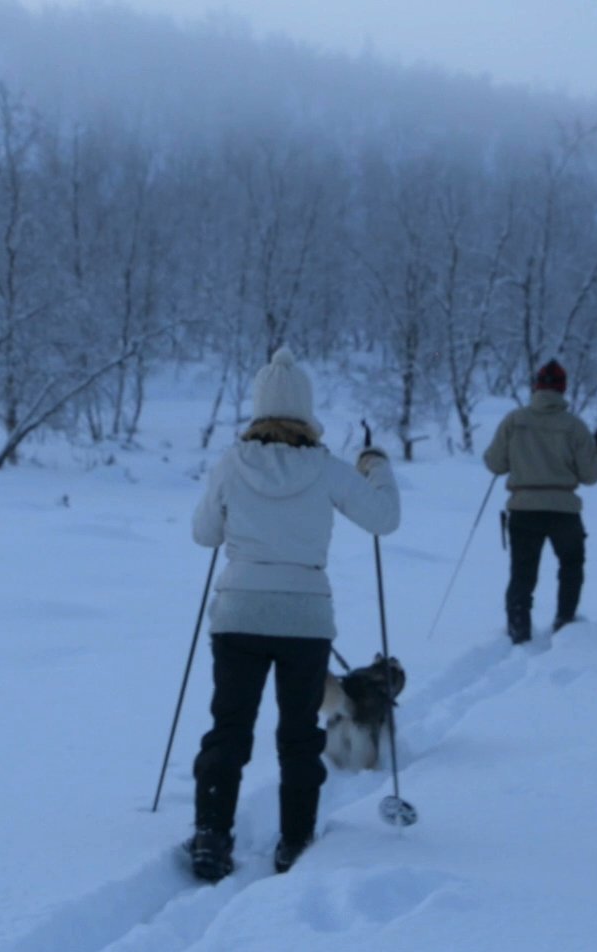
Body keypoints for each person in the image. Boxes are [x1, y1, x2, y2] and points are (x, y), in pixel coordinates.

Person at [184, 347, 400, 881]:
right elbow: (384, 519)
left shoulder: (231, 464)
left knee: (228, 728)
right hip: (304, 619)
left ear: (258, 408)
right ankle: (296, 841)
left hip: (238, 614)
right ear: (306, 410)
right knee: (299, 733)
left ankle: (212, 836)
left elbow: (204, 534)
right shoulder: (326, 468)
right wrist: (376, 468)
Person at [482, 359, 597, 644]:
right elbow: (590, 476)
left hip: (523, 510)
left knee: (522, 575)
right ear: (563, 389)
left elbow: (494, 463)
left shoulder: (515, 421)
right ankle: (565, 622)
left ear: (536, 387)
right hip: (564, 511)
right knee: (571, 566)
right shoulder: (574, 427)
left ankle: (519, 631)